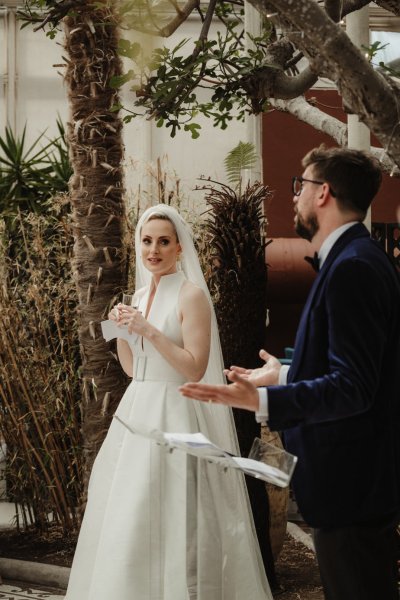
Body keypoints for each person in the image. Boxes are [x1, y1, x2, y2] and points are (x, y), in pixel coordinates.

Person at [181, 146, 400, 600]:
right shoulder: (354, 257)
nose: (294, 197)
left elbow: (354, 387)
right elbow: (356, 363)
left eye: (301, 186)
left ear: (324, 194)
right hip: (351, 486)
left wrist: (260, 402)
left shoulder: (354, 267)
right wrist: (281, 374)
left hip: (351, 489)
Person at [65, 204, 273, 600]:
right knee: (129, 515)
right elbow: (132, 369)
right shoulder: (139, 295)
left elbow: (194, 368)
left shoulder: (191, 296)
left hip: (175, 412)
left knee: (175, 516)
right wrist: (122, 333)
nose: (153, 250)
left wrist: (149, 330)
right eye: (146, 241)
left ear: (179, 247)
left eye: (163, 242)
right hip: (136, 411)